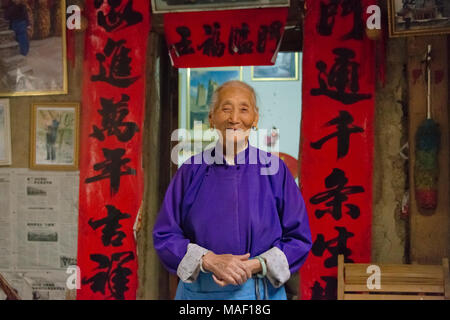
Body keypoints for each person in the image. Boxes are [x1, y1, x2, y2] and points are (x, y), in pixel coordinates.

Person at [153, 80, 312, 300]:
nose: (234, 119)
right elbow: (165, 235)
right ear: (211, 118)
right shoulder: (190, 171)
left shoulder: (275, 171)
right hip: (200, 295)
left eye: (244, 109)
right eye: (226, 109)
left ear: (255, 119)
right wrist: (209, 260)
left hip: (261, 293)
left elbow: (298, 238)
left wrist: (255, 265)